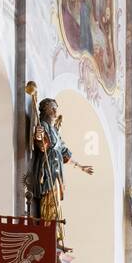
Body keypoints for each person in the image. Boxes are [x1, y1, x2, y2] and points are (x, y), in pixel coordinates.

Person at [29, 98, 93, 244]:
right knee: (50, 201)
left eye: (56, 108)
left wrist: (80, 166)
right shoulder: (43, 125)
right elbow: (41, 145)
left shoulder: (56, 133)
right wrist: (38, 135)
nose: (55, 111)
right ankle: (48, 232)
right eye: (52, 108)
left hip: (57, 174)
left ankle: (55, 233)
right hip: (47, 172)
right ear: (44, 110)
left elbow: (65, 154)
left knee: (56, 202)